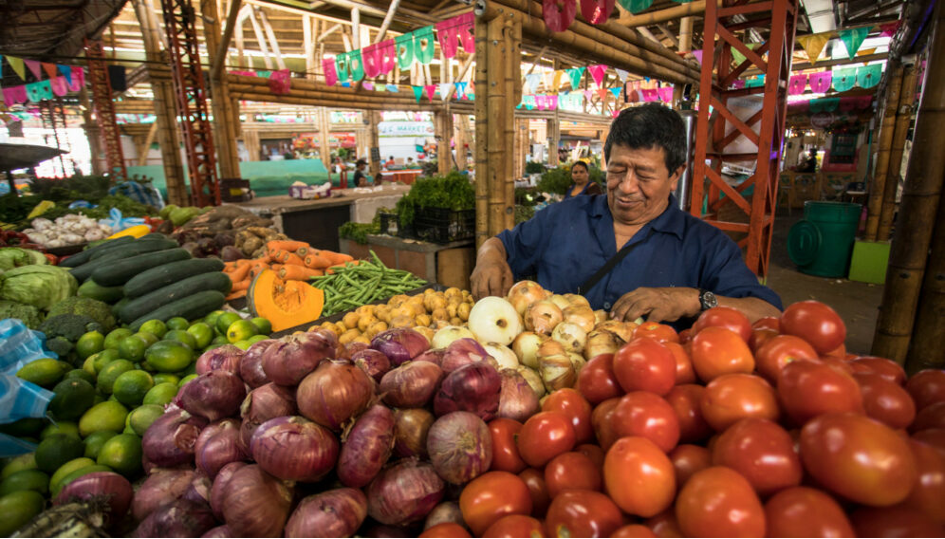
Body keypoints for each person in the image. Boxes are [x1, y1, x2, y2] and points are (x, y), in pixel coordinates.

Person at [470, 103, 783, 327]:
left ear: (676, 175)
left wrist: (691, 300)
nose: (627, 187)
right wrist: (488, 257)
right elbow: (501, 245)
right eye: (618, 170)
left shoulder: (706, 246)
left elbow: (769, 312)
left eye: (644, 175)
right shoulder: (563, 217)